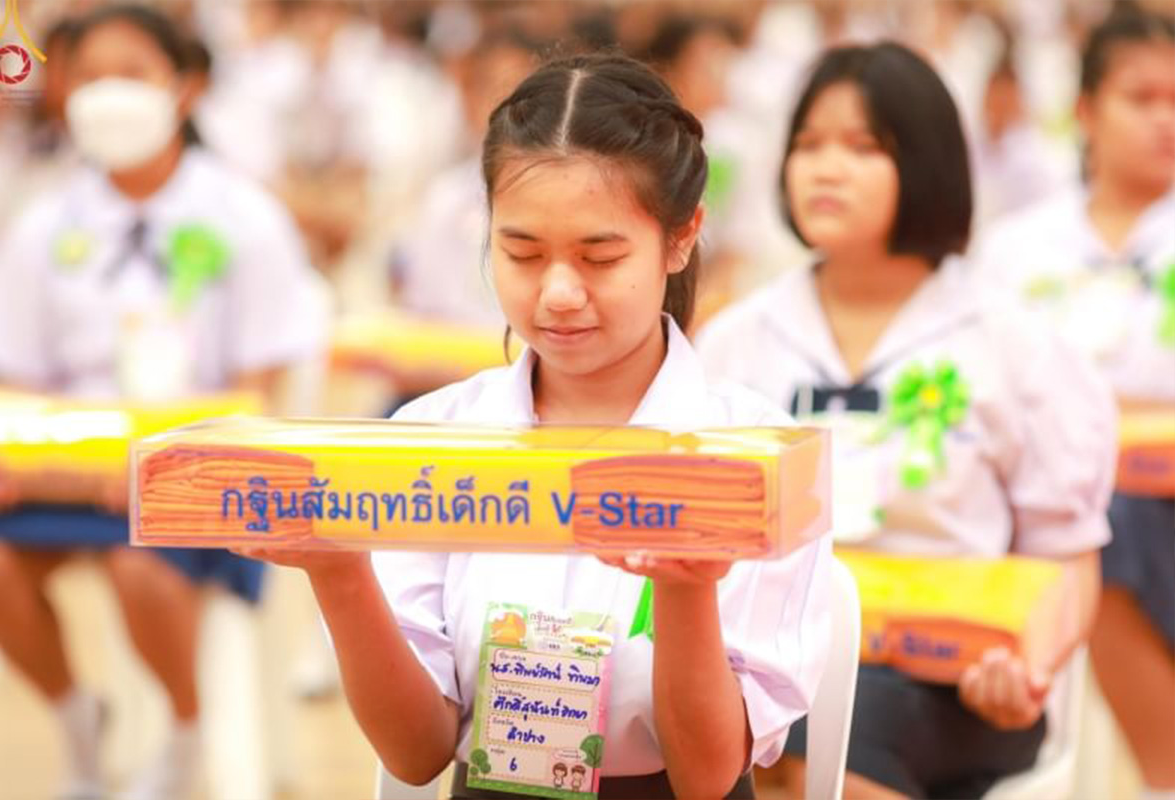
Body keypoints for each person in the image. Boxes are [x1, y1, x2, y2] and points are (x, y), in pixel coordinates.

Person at [240, 53, 830, 800]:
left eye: (600, 256)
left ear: (681, 238)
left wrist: (686, 588)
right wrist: (339, 571)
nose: (557, 293)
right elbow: (416, 752)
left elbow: (707, 776)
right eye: (521, 252)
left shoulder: (752, 463)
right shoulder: (435, 440)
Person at [697, 42, 1114, 799]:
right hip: (775, 658)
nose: (826, 169)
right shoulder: (737, 339)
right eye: (809, 145)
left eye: (863, 148)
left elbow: (1068, 554)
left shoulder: (1010, 341)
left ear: (926, 164)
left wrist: (1030, 668)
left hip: (955, 679)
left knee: (818, 732)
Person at [0, 6, 327, 799]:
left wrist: (158, 468)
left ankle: (183, 737)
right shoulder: (44, 225)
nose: (108, 94)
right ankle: (80, 729)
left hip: (195, 473)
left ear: (185, 86)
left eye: (130, 74)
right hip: (65, 475)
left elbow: (259, 393)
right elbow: (9, 382)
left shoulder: (244, 219)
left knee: (140, 561)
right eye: (90, 76)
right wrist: (24, 464)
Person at [975, 7, 1175, 798]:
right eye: (1142, 97)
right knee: (1097, 516)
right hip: (1054, 514)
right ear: (1086, 109)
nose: (1166, 120)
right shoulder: (1018, 248)